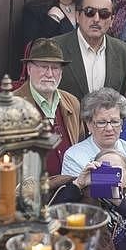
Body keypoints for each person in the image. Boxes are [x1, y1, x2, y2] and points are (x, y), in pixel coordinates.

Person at [12, 38, 84, 182]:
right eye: (43, 66)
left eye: (55, 68)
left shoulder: (73, 103)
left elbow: (81, 146)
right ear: (29, 69)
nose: (50, 74)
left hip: (71, 194)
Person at [54, 0, 126, 98]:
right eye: (89, 12)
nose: (96, 19)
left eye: (104, 14)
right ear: (77, 16)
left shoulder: (124, 52)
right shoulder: (55, 47)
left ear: (112, 20)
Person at [60, 88, 126, 176]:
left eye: (114, 122)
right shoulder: (74, 156)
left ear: (121, 124)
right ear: (89, 125)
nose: (109, 128)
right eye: (102, 122)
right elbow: (73, 189)